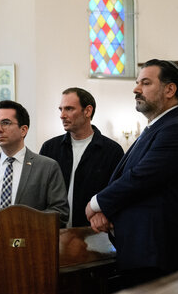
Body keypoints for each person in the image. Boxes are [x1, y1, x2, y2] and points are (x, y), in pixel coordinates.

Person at [86, 59, 178, 289]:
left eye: (145, 83)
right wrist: (108, 212)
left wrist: (97, 204)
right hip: (144, 251)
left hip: (158, 254)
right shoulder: (157, 126)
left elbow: (141, 178)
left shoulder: (177, 127)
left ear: (170, 89)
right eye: (137, 82)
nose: (136, 89)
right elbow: (126, 175)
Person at [0, 100, 69, 227]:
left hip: (29, 242)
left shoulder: (47, 167)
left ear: (23, 130)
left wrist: (20, 223)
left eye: (5, 123)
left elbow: (60, 212)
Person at [39, 88, 124, 227]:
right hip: (54, 231)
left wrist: (104, 212)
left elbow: (118, 192)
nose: (62, 115)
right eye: (61, 109)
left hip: (93, 232)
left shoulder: (112, 151)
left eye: (69, 109)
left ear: (88, 111)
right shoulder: (49, 148)